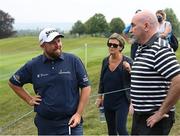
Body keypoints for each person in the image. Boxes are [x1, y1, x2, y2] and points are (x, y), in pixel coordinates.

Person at [8, 27, 91, 135]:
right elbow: (13, 82)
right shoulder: (33, 65)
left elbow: (86, 87)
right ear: (42, 45)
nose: (58, 45)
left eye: (59, 41)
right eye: (52, 42)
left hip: (71, 122)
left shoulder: (73, 61)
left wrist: (78, 114)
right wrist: (29, 99)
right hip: (45, 125)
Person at [129, 10, 180, 135]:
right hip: (140, 116)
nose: (130, 30)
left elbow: (178, 81)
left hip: (155, 120)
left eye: (133, 25)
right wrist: (134, 102)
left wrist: (161, 112)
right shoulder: (141, 48)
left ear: (146, 26)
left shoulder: (160, 48)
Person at [96, 33, 133, 135]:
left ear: (120, 47)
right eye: (110, 44)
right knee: (111, 131)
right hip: (108, 101)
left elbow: (136, 79)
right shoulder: (105, 61)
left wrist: (129, 70)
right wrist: (99, 97)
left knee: (121, 129)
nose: (111, 47)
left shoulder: (128, 61)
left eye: (115, 45)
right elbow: (102, 80)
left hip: (122, 102)